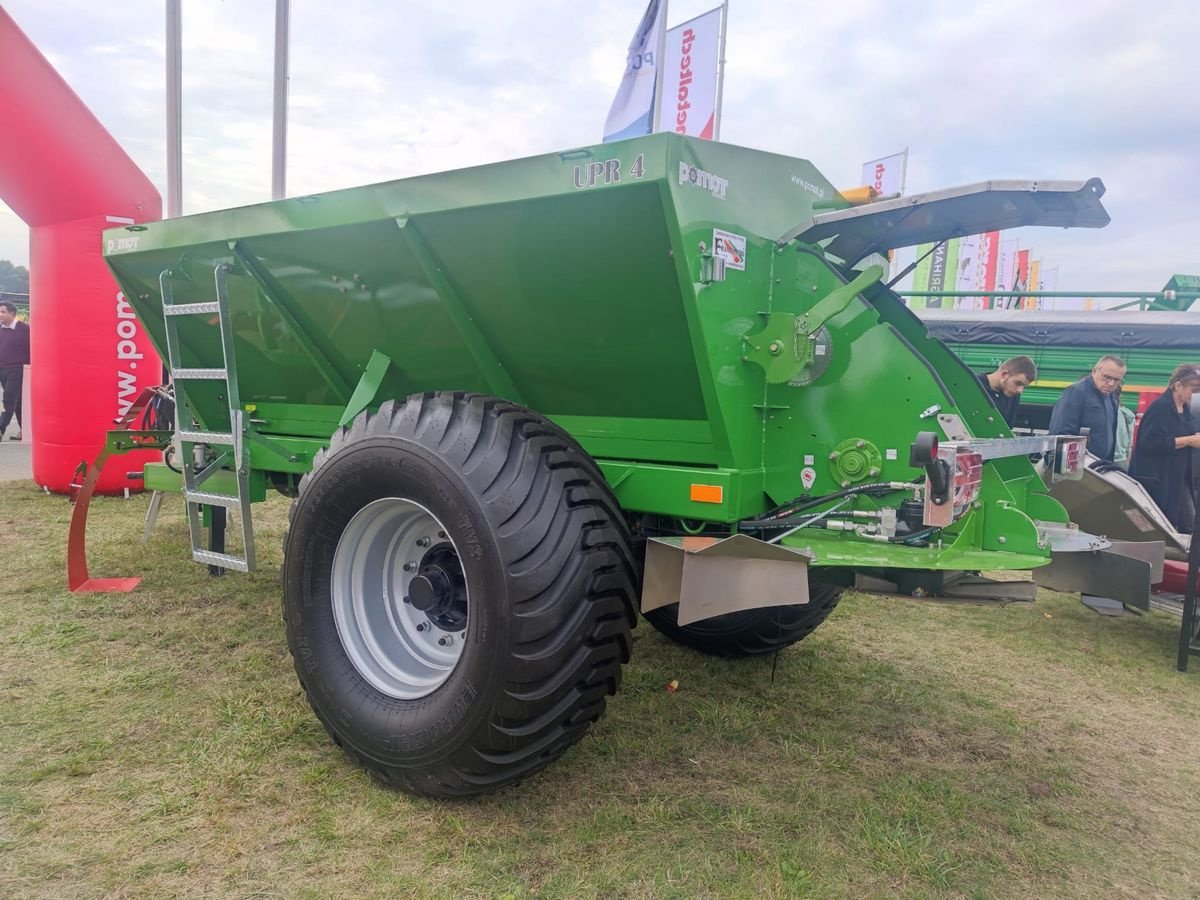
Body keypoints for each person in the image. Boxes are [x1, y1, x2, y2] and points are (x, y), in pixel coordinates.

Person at [1128, 364, 1200, 533]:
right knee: (1164, 528)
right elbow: (1149, 443)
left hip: (1180, 480)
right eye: (1194, 389)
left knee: (1188, 526)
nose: (1196, 395)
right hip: (1160, 481)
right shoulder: (1160, 408)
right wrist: (1189, 440)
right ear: (1177, 385)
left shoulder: (1186, 409)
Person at [1048, 355, 1127, 463]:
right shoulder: (1076, 392)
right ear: (1094, 371)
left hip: (1099, 467)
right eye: (1107, 377)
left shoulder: (1111, 397)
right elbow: (1061, 434)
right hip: (1078, 468)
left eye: (1117, 380)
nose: (1111, 383)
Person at [976, 356, 1037, 426]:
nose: (1020, 390)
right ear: (1004, 374)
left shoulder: (1013, 395)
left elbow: (1008, 428)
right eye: (1018, 383)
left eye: (1024, 387)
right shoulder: (972, 385)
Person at [0, 300, 30, 441]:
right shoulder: (1, 329)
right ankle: (25, 430)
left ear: (12, 313)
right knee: (17, 402)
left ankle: (1, 428)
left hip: (17, 369)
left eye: (3, 312)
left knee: (9, 399)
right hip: (3, 369)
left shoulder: (24, 329)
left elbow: (34, 348)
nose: (0, 315)